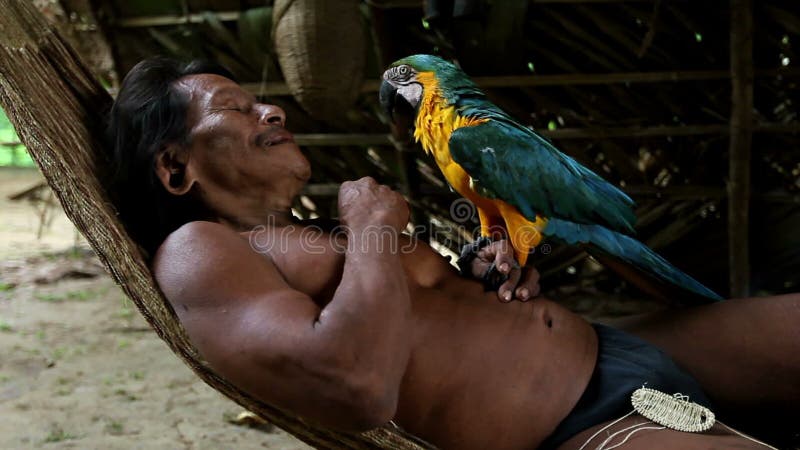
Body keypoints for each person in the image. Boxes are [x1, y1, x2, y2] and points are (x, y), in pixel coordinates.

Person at [105, 57, 799, 450]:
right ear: (175, 169)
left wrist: (484, 274)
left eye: (263, 102)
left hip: (619, 346)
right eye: (235, 107)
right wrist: (374, 226)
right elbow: (355, 383)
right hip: (584, 423)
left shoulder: (315, 233)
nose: (273, 112)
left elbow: (421, 317)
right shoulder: (201, 252)